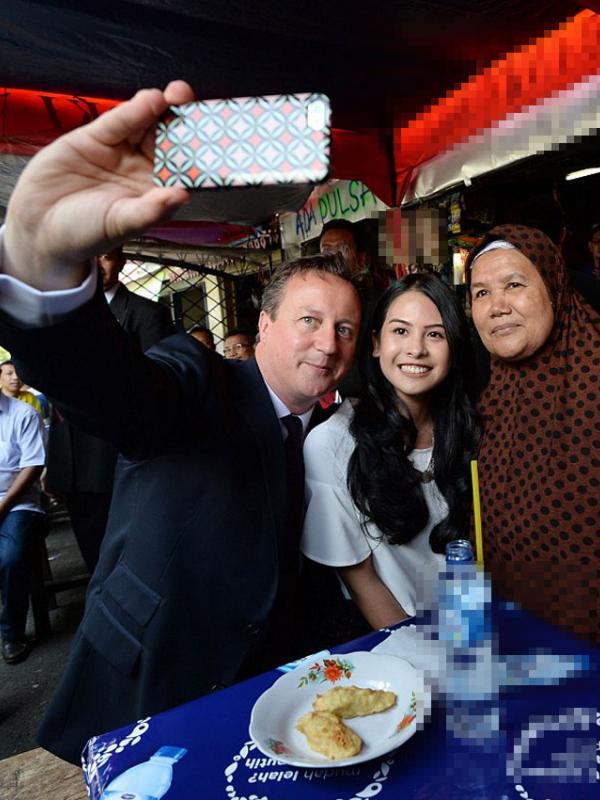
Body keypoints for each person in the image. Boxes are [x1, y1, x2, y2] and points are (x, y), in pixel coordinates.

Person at [0, 77, 361, 764]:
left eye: (345, 329)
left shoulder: (330, 430)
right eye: (310, 321)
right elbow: (116, 392)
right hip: (151, 680)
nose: (328, 343)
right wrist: (42, 264)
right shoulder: (203, 381)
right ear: (262, 326)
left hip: (260, 699)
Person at [302, 274, 479, 629]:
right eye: (400, 331)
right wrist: (423, 659)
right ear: (376, 343)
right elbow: (362, 580)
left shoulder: (470, 427)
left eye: (435, 334)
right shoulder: (333, 443)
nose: (416, 349)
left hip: (477, 628)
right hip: (398, 643)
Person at [467, 224, 600, 646]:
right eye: (481, 293)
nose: (497, 306)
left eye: (514, 284)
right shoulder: (491, 399)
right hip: (517, 654)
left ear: (554, 288)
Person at [44, 248, 175, 573]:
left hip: (119, 463)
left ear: (121, 261)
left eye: (103, 256)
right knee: (95, 564)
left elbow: (156, 392)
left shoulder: (146, 314)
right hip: (73, 467)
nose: (94, 265)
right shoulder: (60, 315)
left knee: (136, 566)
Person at [0, 388, 46, 664]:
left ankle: (12, 633)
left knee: (11, 557)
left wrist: (2, 506)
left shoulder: (22, 413)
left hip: (19, 505)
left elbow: (33, 466)